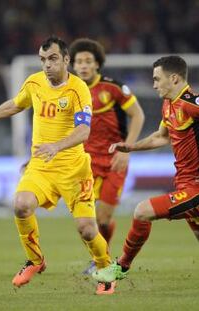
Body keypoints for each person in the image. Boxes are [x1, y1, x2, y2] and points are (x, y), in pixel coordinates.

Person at [0, 36, 114, 295]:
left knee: (87, 229)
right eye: (43, 60)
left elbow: (83, 131)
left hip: (74, 170)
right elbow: (15, 105)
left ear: (66, 60)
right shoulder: (34, 82)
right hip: (41, 167)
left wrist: (56, 146)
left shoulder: (78, 89)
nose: (47, 65)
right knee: (21, 205)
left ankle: (107, 271)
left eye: (53, 59)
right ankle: (35, 260)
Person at [93, 55, 199, 284]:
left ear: (173, 78)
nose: (153, 85)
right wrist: (130, 147)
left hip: (196, 188)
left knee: (142, 211)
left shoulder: (192, 103)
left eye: (156, 79)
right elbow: (160, 137)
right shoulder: (169, 104)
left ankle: (120, 267)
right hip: (184, 183)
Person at [69, 38, 145, 274]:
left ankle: (101, 258)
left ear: (97, 64)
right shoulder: (70, 92)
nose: (83, 66)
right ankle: (98, 259)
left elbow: (138, 115)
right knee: (86, 220)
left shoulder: (113, 87)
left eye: (88, 61)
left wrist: (127, 148)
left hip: (114, 161)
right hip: (85, 162)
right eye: (79, 61)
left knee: (103, 217)